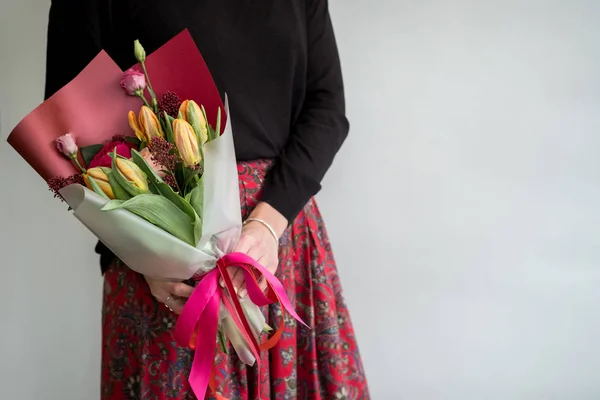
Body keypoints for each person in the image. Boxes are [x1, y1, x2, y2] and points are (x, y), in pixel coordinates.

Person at [45, 0, 369, 398]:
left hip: (278, 237)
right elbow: (67, 127)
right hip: (162, 255)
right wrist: (148, 254)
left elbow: (327, 107)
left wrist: (269, 222)